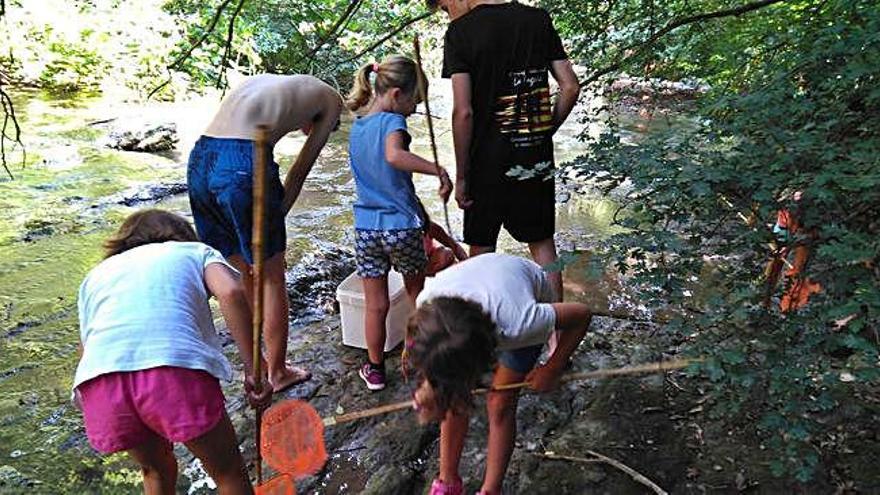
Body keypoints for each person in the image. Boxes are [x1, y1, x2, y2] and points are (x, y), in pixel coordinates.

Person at [73, 209, 272, 495]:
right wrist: (255, 367)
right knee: (228, 473)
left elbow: (86, 346)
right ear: (181, 235)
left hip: (100, 385)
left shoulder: (95, 276)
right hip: (170, 371)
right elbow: (230, 292)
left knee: (155, 471)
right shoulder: (196, 251)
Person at [188, 74, 344, 392]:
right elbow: (299, 172)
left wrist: (264, 224)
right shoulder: (332, 102)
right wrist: (273, 223)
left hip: (201, 158)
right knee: (272, 276)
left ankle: (252, 367)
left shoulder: (272, 84)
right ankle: (277, 371)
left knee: (241, 267)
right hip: (243, 161)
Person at [428, 0, 581, 308]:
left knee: (481, 249)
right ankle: (557, 337)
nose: (448, 15)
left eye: (445, 8)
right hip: (533, 157)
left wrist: (461, 176)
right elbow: (570, 87)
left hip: (485, 162)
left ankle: (486, 335)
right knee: (542, 244)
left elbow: (463, 112)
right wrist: (543, 130)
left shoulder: (460, 32)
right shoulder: (537, 19)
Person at [406, 253, 592, 495]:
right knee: (451, 399)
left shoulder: (521, 324)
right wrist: (429, 388)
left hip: (522, 289)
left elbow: (582, 314)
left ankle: (491, 490)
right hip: (476, 288)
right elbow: (426, 355)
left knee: (500, 404)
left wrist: (553, 367)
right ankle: (448, 481)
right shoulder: (428, 304)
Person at [346, 55, 453, 391]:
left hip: (366, 229)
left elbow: (390, 181)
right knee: (415, 292)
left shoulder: (358, 127)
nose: (415, 110)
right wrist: (438, 168)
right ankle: (416, 355)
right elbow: (394, 157)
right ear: (395, 94)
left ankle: (375, 369)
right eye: (414, 101)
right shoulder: (393, 123)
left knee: (375, 304)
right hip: (400, 229)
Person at [419, 202, 468, 276]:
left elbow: (453, 245)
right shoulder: (398, 232)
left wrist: (467, 265)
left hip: (429, 261)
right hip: (409, 265)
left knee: (447, 253)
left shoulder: (430, 227)